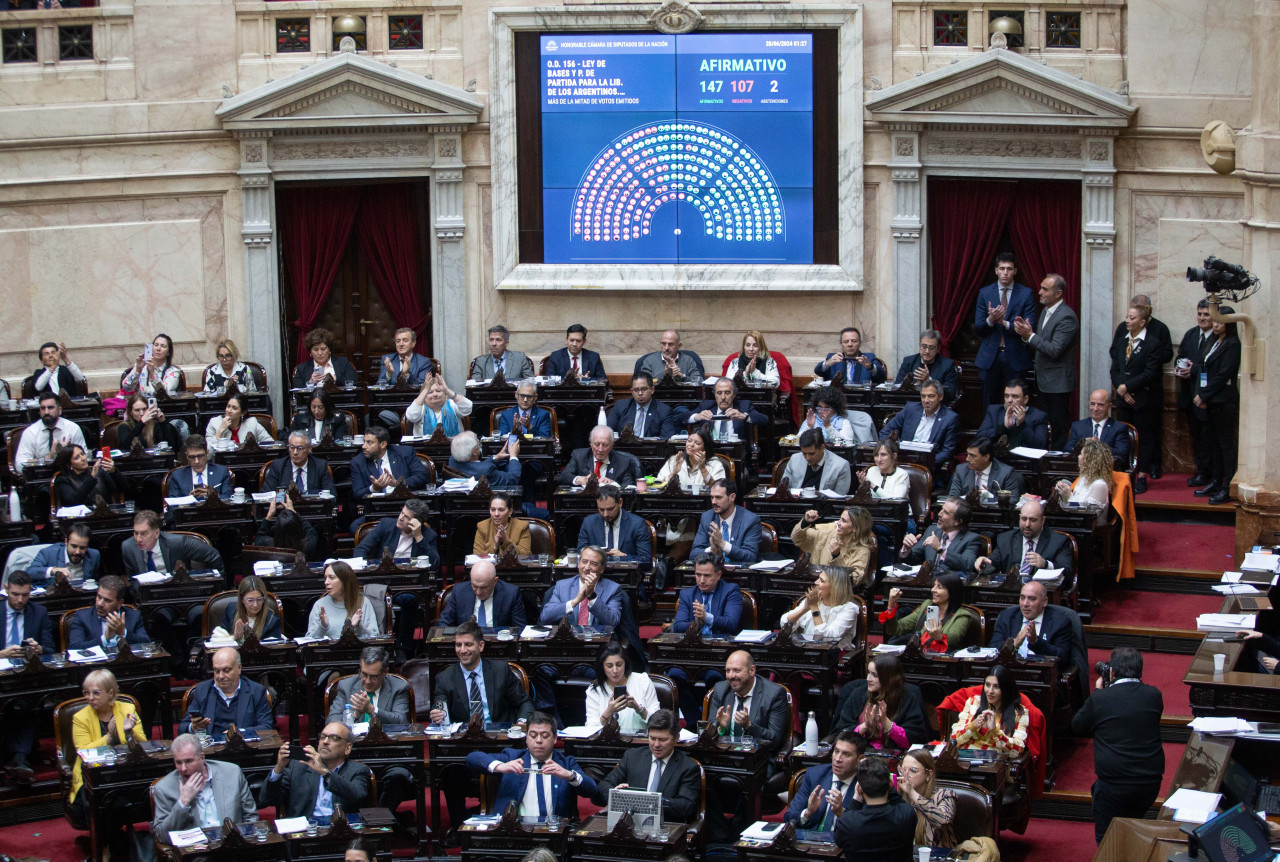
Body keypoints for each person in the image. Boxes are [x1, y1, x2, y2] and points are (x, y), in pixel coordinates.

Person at [430, 620, 535, 835]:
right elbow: (439, 711)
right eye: (458, 645)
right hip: (464, 747)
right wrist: (437, 715)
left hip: (500, 743)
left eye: (468, 645)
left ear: (481, 646)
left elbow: (524, 702)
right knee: (450, 773)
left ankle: (501, 825)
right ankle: (459, 829)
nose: (462, 650)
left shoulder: (500, 671)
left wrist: (523, 722)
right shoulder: (444, 678)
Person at [1071, 647, 1165, 844]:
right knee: (1134, 832)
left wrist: (1098, 692)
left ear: (1111, 672)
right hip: (1149, 783)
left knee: (1108, 841)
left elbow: (1077, 726)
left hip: (1114, 785)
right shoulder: (1154, 695)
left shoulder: (1101, 698)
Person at [326, 647, 414, 812]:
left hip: (390, 754)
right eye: (363, 674)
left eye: (373, 677)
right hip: (354, 755)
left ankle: (380, 819)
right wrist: (354, 714)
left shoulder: (399, 687)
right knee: (351, 780)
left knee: (399, 777)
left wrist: (372, 710)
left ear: (385, 672)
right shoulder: (345, 686)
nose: (366, 681)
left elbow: (401, 722)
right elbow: (331, 722)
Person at [466, 711, 596, 818]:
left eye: (544, 736)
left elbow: (591, 790)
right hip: (514, 832)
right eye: (533, 735)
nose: (538, 740)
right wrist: (500, 767)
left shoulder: (566, 763)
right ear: (526, 737)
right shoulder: (512, 757)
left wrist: (569, 775)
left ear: (555, 738)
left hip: (554, 833)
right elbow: (472, 758)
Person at [669, 553, 743, 725]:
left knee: (715, 678)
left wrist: (708, 617)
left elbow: (732, 624)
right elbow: (678, 625)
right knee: (674, 676)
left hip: (719, 653)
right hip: (692, 652)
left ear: (718, 574)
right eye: (698, 575)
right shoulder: (688, 595)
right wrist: (696, 621)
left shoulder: (731, 591)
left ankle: (712, 723)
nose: (701, 580)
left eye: (707, 575)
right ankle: (695, 724)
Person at [592, 709, 702, 823]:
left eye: (662, 740)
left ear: (676, 738)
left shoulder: (688, 767)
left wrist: (649, 801)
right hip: (629, 824)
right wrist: (616, 794)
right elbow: (603, 786)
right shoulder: (633, 757)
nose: (656, 745)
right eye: (652, 738)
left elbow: (686, 806)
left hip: (665, 826)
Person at [69, 669, 147, 818]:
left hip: (124, 772)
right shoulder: (80, 717)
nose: (90, 698)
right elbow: (83, 751)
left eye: (96, 693)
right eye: (86, 693)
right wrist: (109, 737)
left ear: (110, 693)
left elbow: (143, 744)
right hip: (93, 777)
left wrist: (129, 732)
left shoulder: (127, 709)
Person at [1, 571, 55, 782]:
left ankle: (18, 758)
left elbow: (50, 649)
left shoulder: (39, 612)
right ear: (6, 589)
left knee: (25, 701)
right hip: (1, 674)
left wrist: (39, 649)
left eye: (25, 595)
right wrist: (2, 654)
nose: (20, 600)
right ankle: (20, 757)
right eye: (15, 594)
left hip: (27, 676)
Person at [1015, 273, 1079, 449]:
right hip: (1043, 380)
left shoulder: (1067, 316)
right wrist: (1026, 335)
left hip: (1058, 383)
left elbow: (1054, 350)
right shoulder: (1045, 311)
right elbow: (1040, 343)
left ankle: (1058, 462)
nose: (1040, 292)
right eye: (1041, 287)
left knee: (1059, 427)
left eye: (1045, 289)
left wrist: (1030, 335)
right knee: (1043, 424)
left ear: (1058, 293)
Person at [151, 733, 259, 838]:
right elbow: (161, 836)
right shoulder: (164, 788)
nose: (183, 768)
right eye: (179, 763)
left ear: (202, 758)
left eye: (189, 761)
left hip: (233, 846)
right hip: (195, 852)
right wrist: (182, 803)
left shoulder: (232, 773)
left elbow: (251, 817)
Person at [1110, 300, 1167, 493]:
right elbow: (1115, 368)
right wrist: (1121, 389)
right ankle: (1126, 472)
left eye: (1132, 318)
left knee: (1144, 436)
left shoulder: (1153, 343)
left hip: (1143, 398)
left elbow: (1151, 372)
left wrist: (1127, 386)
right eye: (1127, 316)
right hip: (1123, 399)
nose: (1127, 320)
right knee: (1124, 436)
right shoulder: (1121, 341)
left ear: (1142, 322)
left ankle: (1142, 474)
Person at [260, 720, 372, 818]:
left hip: (342, 832)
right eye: (323, 737)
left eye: (334, 738)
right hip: (305, 835)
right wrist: (279, 768)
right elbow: (267, 800)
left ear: (347, 748)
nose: (325, 741)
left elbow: (357, 796)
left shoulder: (359, 770)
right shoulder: (298, 766)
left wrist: (324, 772)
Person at [973, 252, 1035, 406]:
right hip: (990, 358)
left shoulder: (1026, 294)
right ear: (996, 270)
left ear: (1015, 271)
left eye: (1009, 269)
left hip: (1016, 356)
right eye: (1002, 269)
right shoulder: (985, 293)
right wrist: (991, 319)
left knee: (1017, 403)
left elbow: (1028, 327)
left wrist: (1004, 323)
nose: (1005, 273)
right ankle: (991, 431)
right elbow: (979, 328)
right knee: (989, 403)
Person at [830, 655, 927, 750]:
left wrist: (886, 722)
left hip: (894, 757)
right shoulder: (857, 694)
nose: (868, 678)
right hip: (861, 754)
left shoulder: (909, 697)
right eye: (868, 673)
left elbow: (914, 741)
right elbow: (841, 733)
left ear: (890, 678)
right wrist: (865, 726)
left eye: (874, 675)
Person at [1195, 306, 1241, 505]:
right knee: (1213, 443)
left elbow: (1223, 375)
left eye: (1220, 321)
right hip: (1212, 400)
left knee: (1225, 445)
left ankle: (1228, 486)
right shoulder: (1213, 341)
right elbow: (1205, 368)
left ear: (1229, 324)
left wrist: (1203, 395)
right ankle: (1215, 480)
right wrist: (1204, 396)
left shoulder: (1233, 344)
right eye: (1215, 320)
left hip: (1225, 400)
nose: (1215, 324)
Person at [834, 757, 917, 862]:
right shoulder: (906, 813)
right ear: (890, 785)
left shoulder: (847, 822)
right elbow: (900, 802)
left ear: (859, 789)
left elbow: (838, 840)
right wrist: (889, 786)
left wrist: (856, 800)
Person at [708, 650, 790, 753]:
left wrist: (749, 726)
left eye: (737, 671)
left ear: (752, 670)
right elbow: (707, 735)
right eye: (728, 671)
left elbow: (775, 740)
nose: (731, 676)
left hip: (758, 759)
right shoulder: (721, 689)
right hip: (725, 755)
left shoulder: (774, 694)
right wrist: (721, 727)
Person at [179, 646, 274, 734]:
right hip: (211, 748)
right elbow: (182, 729)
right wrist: (193, 727)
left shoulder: (256, 691)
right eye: (216, 671)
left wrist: (238, 732)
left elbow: (267, 727)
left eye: (226, 670)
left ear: (239, 668)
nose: (220, 676)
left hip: (244, 748)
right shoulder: (202, 690)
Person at [978, 499, 1074, 585]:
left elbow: (1067, 573)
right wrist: (983, 564)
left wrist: (1046, 564)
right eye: (1024, 519)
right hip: (1011, 591)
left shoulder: (1058, 541)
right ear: (1019, 517)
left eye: (1033, 520)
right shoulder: (1006, 539)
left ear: (1042, 520)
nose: (1027, 524)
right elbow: (992, 566)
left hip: (1040, 594)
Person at [785, 729, 866, 829]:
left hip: (842, 843)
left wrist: (841, 812)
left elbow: (865, 830)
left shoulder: (865, 784)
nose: (837, 759)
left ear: (860, 759)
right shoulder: (814, 775)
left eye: (846, 754)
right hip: (809, 841)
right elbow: (788, 817)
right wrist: (808, 812)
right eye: (836, 751)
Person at [990, 580, 1078, 668]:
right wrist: (1014, 643)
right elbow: (992, 650)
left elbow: (1063, 658)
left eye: (1032, 599)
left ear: (1044, 601)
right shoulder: (1006, 617)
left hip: (1041, 674)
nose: (1025, 604)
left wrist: (1036, 642)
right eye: (1022, 598)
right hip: (1009, 671)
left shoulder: (1060, 622)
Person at [880, 573, 979, 652]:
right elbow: (897, 629)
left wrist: (939, 636)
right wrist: (891, 605)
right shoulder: (927, 606)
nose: (933, 590)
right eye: (934, 586)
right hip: (920, 658)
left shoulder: (962, 615)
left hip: (944, 663)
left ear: (952, 592)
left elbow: (953, 638)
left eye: (939, 587)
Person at [1176, 300, 1215, 487]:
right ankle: (1201, 470)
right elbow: (1180, 355)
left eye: (1206, 314)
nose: (1202, 318)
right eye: (1200, 314)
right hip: (1189, 395)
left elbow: (1214, 368)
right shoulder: (1191, 334)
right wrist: (1180, 368)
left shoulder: (1217, 337)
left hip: (1207, 398)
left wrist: (1194, 370)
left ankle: (1209, 474)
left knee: (1208, 438)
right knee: (1196, 437)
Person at [877, 379, 960, 468]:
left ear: (941, 396)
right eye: (923, 396)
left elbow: (948, 451)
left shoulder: (950, 418)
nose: (926, 400)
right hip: (903, 460)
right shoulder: (910, 409)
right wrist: (893, 453)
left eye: (931, 396)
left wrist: (927, 463)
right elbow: (885, 432)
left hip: (928, 465)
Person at [950, 665, 1029, 753]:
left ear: (1006, 689)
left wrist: (995, 732)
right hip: (964, 759)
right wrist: (972, 726)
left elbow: (1017, 751)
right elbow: (953, 740)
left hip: (995, 763)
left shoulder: (1020, 712)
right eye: (987, 685)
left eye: (996, 687)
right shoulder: (974, 703)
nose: (990, 691)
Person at [585, 641, 659, 732]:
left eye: (619, 665)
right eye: (609, 666)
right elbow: (590, 730)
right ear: (602, 667)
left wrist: (638, 708)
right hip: (605, 744)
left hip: (640, 743)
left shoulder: (643, 681)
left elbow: (658, 723)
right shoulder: (594, 691)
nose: (615, 670)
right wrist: (608, 712)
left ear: (625, 663)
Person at [122, 509, 224, 575]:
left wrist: (216, 585)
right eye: (136, 533)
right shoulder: (128, 547)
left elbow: (213, 555)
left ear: (156, 533)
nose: (138, 539)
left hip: (177, 593)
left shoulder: (178, 543)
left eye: (144, 533)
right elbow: (132, 578)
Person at [539, 545, 622, 626]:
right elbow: (545, 617)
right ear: (578, 564)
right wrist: (574, 602)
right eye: (584, 562)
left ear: (602, 569)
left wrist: (592, 596)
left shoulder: (613, 589)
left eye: (593, 564)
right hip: (569, 637)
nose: (587, 567)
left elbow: (613, 621)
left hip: (598, 638)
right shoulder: (562, 586)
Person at [898, 496, 982, 573]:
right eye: (941, 509)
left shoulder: (971, 539)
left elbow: (968, 565)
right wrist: (907, 549)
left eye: (945, 512)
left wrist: (940, 549)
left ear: (958, 521)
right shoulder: (931, 531)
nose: (939, 514)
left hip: (950, 586)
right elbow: (912, 559)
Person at [67, 575, 151, 650]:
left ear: (119, 603)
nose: (100, 604)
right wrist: (104, 638)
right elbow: (74, 648)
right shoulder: (82, 617)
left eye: (107, 600)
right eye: (99, 597)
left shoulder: (134, 616)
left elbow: (147, 645)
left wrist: (124, 633)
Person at [438, 559, 526, 628]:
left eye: (484, 587)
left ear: (495, 581)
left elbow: (519, 629)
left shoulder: (511, 594)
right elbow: (443, 623)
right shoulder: (459, 591)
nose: (478, 592)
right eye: (474, 586)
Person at [14, 390, 86, 473]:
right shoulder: (30, 432)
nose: (46, 412)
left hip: (70, 475)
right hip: (41, 477)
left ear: (59, 410)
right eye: (43, 408)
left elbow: (85, 459)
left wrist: (68, 452)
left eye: (50, 408)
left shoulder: (73, 429)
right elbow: (19, 466)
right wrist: (49, 457)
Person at [692, 478, 762, 564]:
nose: (713, 502)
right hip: (712, 574)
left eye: (718, 497)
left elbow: (750, 556)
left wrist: (723, 545)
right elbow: (693, 554)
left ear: (732, 497)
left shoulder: (750, 520)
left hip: (737, 575)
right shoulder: (707, 517)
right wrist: (712, 550)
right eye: (712, 497)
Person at [780, 565, 860, 639]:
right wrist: (804, 609)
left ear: (834, 588)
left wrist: (814, 608)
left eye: (821, 581)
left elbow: (827, 637)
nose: (816, 582)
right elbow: (784, 624)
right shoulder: (814, 600)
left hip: (833, 652)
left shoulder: (849, 609)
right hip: (807, 648)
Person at [349, 427, 429, 500]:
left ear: (383, 444)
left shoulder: (405, 453)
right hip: (378, 507)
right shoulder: (358, 462)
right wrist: (374, 488)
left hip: (406, 502)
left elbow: (422, 477)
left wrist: (398, 484)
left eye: (369, 443)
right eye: (364, 442)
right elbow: (357, 494)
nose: (364, 446)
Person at [897, 749, 956, 848]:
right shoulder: (897, 795)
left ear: (929, 774)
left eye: (913, 770)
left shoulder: (945, 795)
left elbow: (942, 821)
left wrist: (912, 793)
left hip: (935, 855)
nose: (905, 775)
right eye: (903, 770)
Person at [577, 485, 652, 563]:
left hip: (625, 572)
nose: (605, 514)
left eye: (610, 509)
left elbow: (646, 560)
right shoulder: (589, 523)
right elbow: (581, 554)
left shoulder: (637, 524)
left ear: (620, 503)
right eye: (601, 509)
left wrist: (623, 556)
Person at [307, 562, 381, 639]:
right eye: (326, 578)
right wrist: (322, 626)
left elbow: (374, 637)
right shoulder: (320, 604)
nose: (326, 582)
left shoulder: (363, 602)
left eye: (331, 577)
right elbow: (309, 640)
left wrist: (358, 626)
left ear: (344, 580)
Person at [355, 500, 439, 566]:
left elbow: (435, 563)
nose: (400, 518)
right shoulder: (386, 525)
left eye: (407, 517)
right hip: (384, 573)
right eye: (402, 513)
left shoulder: (429, 535)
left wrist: (419, 537)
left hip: (410, 578)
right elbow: (360, 549)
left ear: (417, 522)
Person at [791, 508, 874, 573]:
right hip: (816, 585)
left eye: (843, 521)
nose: (838, 523)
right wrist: (805, 522)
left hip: (839, 593)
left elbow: (853, 579)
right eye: (840, 519)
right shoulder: (828, 535)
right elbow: (797, 538)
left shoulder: (862, 551)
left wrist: (836, 556)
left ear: (855, 528)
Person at [557, 424, 642, 487]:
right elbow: (563, 477)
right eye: (597, 444)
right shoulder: (579, 456)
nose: (600, 449)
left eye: (605, 445)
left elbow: (629, 487)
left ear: (612, 444)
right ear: (590, 443)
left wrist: (613, 484)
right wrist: (581, 479)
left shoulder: (624, 461)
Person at [975, 379, 1050, 450]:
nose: (1009, 400)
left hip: (1024, 461)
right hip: (998, 459)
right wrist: (1003, 427)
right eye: (1006, 396)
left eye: (1015, 396)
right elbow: (979, 439)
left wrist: (1022, 425)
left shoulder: (1038, 416)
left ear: (1025, 399)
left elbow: (1040, 445)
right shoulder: (994, 411)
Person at [686, 377, 767, 441]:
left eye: (727, 392)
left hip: (737, 452)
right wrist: (697, 417)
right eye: (719, 393)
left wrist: (744, 416)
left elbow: (764, 419)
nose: (723, 397)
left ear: (734, 394)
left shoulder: (744, 406)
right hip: (710, 452)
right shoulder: (706, 405)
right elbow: (681, 417)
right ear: (715, 395)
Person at [1065, 389, 1132, 465]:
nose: (1095, 408)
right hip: (1081, 470)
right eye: (1092, 404)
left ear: (1109, 406)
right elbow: (1068, 450)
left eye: (1100, 405)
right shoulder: (1078, 426)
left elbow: (1122, 453)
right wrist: (1081, 445)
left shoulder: (1119, 428)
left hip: (1107, 470)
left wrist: (1100, 446)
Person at [608, 371, 681, 438]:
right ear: (632, 391)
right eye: (636, 390)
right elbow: (607, 431)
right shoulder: (621, 406)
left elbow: (666, 439)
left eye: (644, 389)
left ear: (652, 390)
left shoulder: (664, 411)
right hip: (623, 449)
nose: (640, 393)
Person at [948, 437, 1026, 499]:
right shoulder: (961, 470)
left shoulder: (1006, 473)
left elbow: (1012, 501)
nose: (967, 459)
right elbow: (952, 498)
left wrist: (991, 497)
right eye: (968, 454)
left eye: (973, 456)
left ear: (986, 457)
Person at [779, 428, 852, 494]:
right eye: (804, 453)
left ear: (822, 447)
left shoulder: (841, 466)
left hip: (824, 507)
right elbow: (784, 489)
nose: (807, 458)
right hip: (798, 506)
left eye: (811, 454)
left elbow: (839, 499)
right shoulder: (795, 459)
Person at [893, 330, 957, 402]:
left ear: (938, 348)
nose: (927, 351)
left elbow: (951, 393)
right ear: (919, 346)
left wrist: (929, 381)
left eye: (931, 348)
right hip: (911, 405)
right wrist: (915, 386)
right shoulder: (909, 362)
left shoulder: (947, 365)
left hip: (935, 407)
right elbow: (897, 386)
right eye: (924, 346)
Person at [262, 432, 337, 495]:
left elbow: (332, 495)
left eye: (300, 448)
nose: (295, 452)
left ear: (309, 448)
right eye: (292, 447)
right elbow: (266, 494)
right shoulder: (278, 466)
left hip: (311, 510)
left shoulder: (320, 466)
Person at [1054, 438, 1115, 512]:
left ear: (1089, 460)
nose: (1078, 457)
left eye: (1081, 454)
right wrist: (1064, 497)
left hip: (1092, 523)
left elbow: (1089, 512)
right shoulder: (1083, 478)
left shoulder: (1100, 485)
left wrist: (1069, 496)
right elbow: (1069, 508)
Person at [797, 386, 872, 446]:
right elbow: (798, 442)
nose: (822, 411)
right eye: (820, 407)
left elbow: (846, 443)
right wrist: (809, 427)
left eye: (827, 407)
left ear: (835, 408)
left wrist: (828, 425)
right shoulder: (812, 420)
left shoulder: (843, 422)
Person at [51, 443, 121, 508]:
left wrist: (114, 472)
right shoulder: (63, 480)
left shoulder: (99, 472)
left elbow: (123, 489)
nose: (83, 458)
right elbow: (72, 502)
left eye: (82, 454)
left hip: (105, 514)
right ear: (69, 464)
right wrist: (92, 478)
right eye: (77, 458)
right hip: (80, 519)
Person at [27, 523, 100, 584]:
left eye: (82, 548)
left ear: (87, 547)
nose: (77, 552)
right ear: (66, 542)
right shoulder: (48, 553)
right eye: (74, 546)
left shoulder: (94, 555)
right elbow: (29, 573)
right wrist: (53, 570)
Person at [656, 426, 724, 490]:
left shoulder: (715, 463)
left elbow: (719, 490)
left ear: (705, 447)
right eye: (689, 441)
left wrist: (703, 469)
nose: (691, 445)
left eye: (697, 443)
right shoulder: (675, 460)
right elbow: (658, 486)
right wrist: (673, 473)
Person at [166, 434, 234, 498]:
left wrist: (213, 496)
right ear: (186, 456)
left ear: (207, 453)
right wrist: (188, 501)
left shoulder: (222, 472)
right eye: (192, 457)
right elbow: (172, 505)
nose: (196, 461)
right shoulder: (177, 476)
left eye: (200, 456)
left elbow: (228, 499)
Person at [813, 327, 887, 385]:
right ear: (841, 344)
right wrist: (828, 363)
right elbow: (817, 371)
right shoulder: (833, 358)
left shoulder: (869, 357)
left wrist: (870, 367)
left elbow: (882, 376)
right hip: (837, 399)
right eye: (846, 342)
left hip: (862, 398)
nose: (850, 344)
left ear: (860, 343)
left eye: (854, 341)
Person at [448, 430, 522, 488]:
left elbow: (475, 467)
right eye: (478, 444)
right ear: (474, 452)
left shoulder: (452, 460)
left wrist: (496, 457)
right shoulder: (487, 470)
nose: (479, 445)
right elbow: (512, 478)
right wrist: (513, 455)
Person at [219, 575, 282, 641]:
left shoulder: (272, 620)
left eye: (259, 599)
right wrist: (235, 638)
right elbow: (220, 640)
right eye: (250, 600)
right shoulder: (231, 610)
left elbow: (273, 648)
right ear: (242, 599)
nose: (255, 604)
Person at [405, 374, 473, 436]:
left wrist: (447, 390)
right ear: (424, 396)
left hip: (454, 446)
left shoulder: (452, 405)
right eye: (430, 392)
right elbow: (411, 416)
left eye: (438, 391)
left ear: (444, 394)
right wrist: (425, 389)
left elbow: (468, 407)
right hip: (425, 447)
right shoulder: (420, 409)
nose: (435, 394)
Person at [292, 327, 358, 389]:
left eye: (323, 349)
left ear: (329, 349)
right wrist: (311, 382)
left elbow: (353, 382)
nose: (320, 353)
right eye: (315, 350)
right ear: (311, 351)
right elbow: (298, 392)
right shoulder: (301, 368)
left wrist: (335, 378)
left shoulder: (343, 362)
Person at [121, 333, 183, 398]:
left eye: (163, 346)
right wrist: (138, 370)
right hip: (143, 406)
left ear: (168, 352)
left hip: (162, 406)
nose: (158, 349)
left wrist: (152, 373)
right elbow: (127, 388)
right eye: (156, 345)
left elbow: (164, 393)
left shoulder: (173, 371)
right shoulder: (143, 367)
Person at [253, 497, 319, 557]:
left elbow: (258, 538)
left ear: (277, 529)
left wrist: (269, 516)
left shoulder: (269, 545)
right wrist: (294, 512)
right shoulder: (307, 546)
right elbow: (311, 531)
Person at [634, 330, 704, 384]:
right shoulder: (649, 361)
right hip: (657, 399)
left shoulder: (688, 360)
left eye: (670, 344)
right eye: (664, 344)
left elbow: (699, 382)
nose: (666, 348)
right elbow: (644, 384)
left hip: (682, 399)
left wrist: (681, 376)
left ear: (679, 346)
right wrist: (664, 375)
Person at [118, 393, 183, 451]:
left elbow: (171, 446)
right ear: (130, 412)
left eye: (144, 409)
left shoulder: (155, 425)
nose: (142, 413)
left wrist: (163, 423)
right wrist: (142, 422)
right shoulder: (124, 426)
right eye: (137, 410)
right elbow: (126, 444)